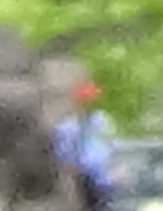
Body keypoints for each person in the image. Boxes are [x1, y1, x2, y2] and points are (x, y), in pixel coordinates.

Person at [51, 83, 119, 211]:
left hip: (104, 177)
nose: (90, 106)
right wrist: (70, 175)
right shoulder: (68, 128)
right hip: (82, 177)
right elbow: (63, 155)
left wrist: (115, 168)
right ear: (79, 104)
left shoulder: (101, 121)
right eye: (86, 102)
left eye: (93, 102)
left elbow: (111, 145)